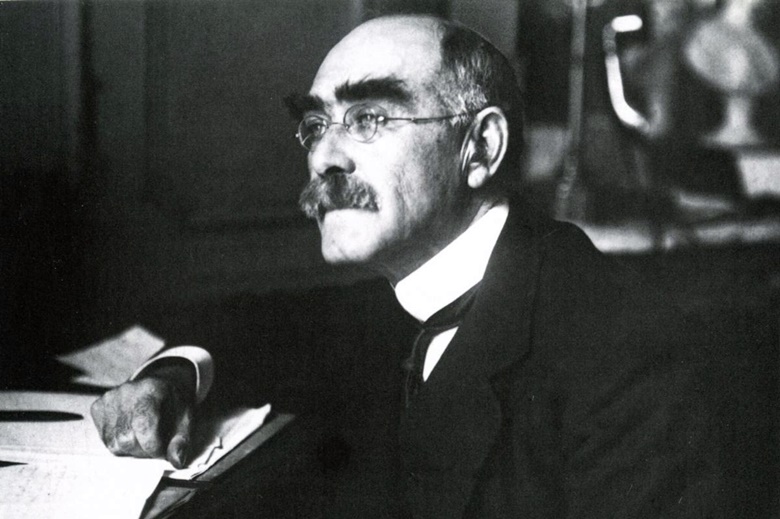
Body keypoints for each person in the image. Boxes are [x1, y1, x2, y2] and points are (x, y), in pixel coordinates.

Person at [90, 14, 727, 517]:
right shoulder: (397, 294)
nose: (324, 157)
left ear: (480, 148)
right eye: (315, 124)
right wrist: (173, 375)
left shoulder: (627, 355)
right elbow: (252, 334)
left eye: (368, 119)